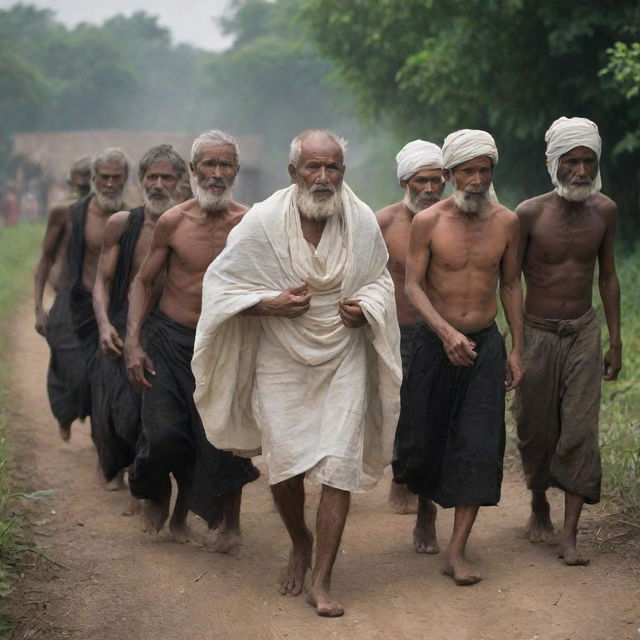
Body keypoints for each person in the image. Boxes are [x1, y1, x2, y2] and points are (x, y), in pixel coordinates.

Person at [192, 129, 401, 616]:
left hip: (343, 354)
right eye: (314, 167)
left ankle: (322, 578)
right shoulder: (262, 221)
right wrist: (270, 303)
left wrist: (364, 308)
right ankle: (300, 541)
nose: (324, 177)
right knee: (284, 466)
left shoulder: (363, 220)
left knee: (339, 466)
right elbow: (220, 289)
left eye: (333, 168)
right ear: (294, 172)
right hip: (280, 357)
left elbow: (381, 282)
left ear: (342, 173)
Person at [393, 129, 523, 586]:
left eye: (484, 170)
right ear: (449, 175)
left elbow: (510, 286)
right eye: (467, 171)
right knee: (424, 440)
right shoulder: (428, 222)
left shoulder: (507, 222)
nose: (476, 179)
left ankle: (457, 550)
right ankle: (425, 511)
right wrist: (445, 332)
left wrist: (516, 349)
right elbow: (412, 285)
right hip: (434, 344)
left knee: (479, 444)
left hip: (484, 344)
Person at [124, 131, 259, 546]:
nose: (217, 174)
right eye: (209, 165)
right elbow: (143, 282)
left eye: (225, 166)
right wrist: (133, 342)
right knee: (164, 434)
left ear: (236, 170)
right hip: (168, 340)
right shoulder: (173, 222)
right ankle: (157, 492)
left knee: (224, 436)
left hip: (225, 344)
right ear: (193, 170)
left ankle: (228, 523)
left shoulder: (251, 222)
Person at [514, 117, 621, 566]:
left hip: (583, 331)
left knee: (579, 429)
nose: (580, 171)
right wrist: (515, 345)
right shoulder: (529, 214)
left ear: (597, 162)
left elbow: (609, 277)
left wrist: (617, 340)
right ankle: (539, 500)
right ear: (552, 163)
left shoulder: (605, 211)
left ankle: (570, 535)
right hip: (537, 331)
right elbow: (509, 282)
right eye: (570, 162)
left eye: (587, 161)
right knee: (535, 428)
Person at [91, 145, 187, 495]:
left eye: (168, 177)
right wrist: (104, 325)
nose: (159, 183)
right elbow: (102, 281)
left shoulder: (190, 227)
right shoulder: (122, 224)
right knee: (123, 413)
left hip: (171, 333)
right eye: (153, 176)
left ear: (180, 182)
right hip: (122, 327)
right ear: (142, 180)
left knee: (164, 418)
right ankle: (131, 471)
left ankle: (153, 489)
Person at [376, 140, 445, 553]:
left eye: (438, 180)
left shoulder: (455, 223)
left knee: (431, 426)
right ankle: (400, 476)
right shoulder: (382, 223)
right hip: (393, 336)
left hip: (440, 339)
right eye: (422, 180)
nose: (431, 188)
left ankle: (427, 514)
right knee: (397, 418)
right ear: (405, 181)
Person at [33, 155, 118, 441]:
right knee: (72, 369)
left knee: (101, 377)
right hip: (68, 302)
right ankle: (66, 413)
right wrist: (38, 309)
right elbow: (45, 259)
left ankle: (103, 443)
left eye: (114, 178)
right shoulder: (64, 213)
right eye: (82, 179)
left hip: (105, 307)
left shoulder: (123, 216)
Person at [66, 148, 129, 451]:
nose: (109, 183)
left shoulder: (133, 219)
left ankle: (111, 456)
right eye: (103, 177)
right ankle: (101, 445)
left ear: (127, 179)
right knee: (85, 381)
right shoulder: (74, 214)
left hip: (117, 312)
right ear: (93, 179)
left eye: (116, 177)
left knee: (110, 384)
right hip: (81, 311)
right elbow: (52, 261)